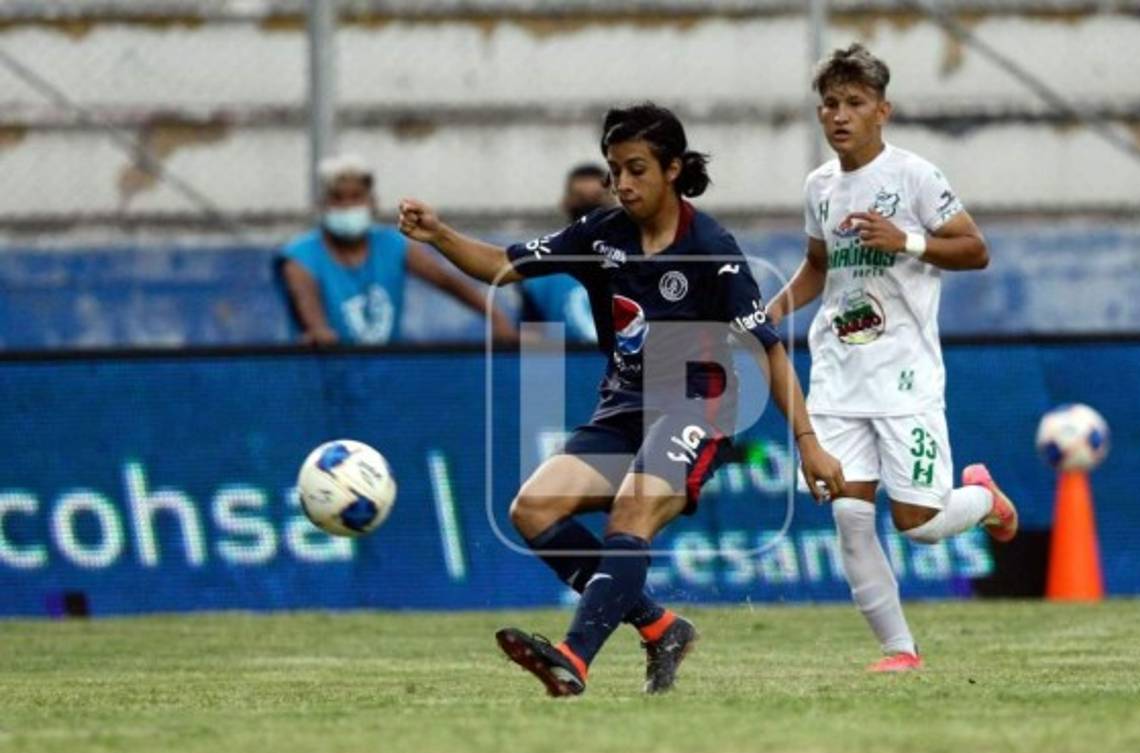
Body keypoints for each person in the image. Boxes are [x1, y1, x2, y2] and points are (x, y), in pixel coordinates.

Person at [398, 103, 846, 697]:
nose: (623, 183)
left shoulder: (711, 247)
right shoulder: (600, 233)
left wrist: (808, 443)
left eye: (636, 169)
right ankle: (660, 626)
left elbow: (768, 349)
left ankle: (573, 659)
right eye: (615, 170)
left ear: (672, 169)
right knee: (532, 510)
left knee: (631, 512)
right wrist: (440, 235)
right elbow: (505, 265)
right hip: (624, 405)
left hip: (700, 406)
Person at [767, 44, 1019, 673]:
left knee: (919, 524)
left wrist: (905, 239)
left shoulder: (915, 176)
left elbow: (975, 249)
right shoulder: (819, 186)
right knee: (850, 515)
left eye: (854, 103)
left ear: (883, 110)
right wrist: (773, 311)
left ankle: (982, 500)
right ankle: (900, 651)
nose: (839, 115)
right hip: (837, 374)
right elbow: (819, 265)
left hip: (904, 377)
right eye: (830, 103)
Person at [276, 153, 516, 345]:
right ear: (323, 204)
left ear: (372, 202)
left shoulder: (393, 245)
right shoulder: (300, 257)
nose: (347, 205)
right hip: (326, 376)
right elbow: (308, 306)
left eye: (356, 197)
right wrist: (319, 332)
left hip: (387, 372)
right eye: (338, 198)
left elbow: (445, 280)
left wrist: (495, 316)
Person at [517, 163, 611, 343]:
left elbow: (659, 347)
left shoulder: (640, 262)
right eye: (581, 199)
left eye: (596, 198)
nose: (589, 208)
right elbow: (538, 350)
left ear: (612, 202)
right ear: (565, 203)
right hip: (567, 362)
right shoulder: (540, 273)